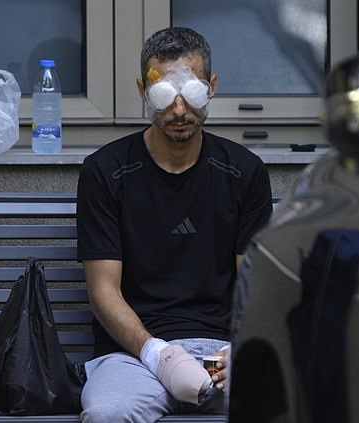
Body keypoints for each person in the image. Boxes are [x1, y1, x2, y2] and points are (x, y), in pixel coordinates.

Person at [76, 27, 273, 423]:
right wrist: (157, 354)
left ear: (213, 87)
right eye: (164, 94)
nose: (179, 110)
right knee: (108, 413)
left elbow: (256, 287)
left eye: (193, 93)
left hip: (221, 351)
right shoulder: (106, 172)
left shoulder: (243, 172)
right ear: (142, 92)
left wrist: (244, 350)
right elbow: (103, 291)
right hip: (134, 355)